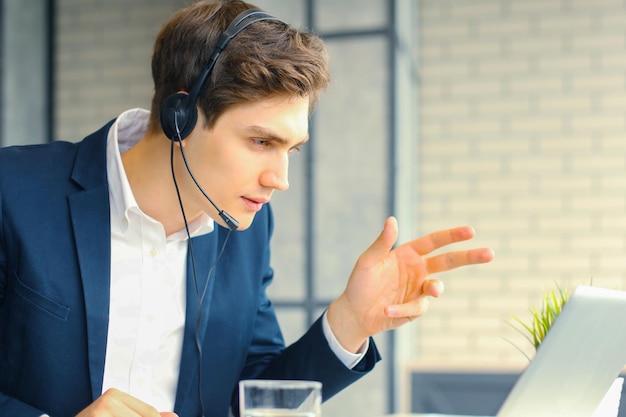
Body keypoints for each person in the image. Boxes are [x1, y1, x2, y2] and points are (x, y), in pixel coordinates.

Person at [0, 1, 494, 417]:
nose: (280, 180)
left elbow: (251, 396)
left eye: (291, 149)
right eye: (261, 141)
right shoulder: (13, 190)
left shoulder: (247, 229)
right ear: (180, 117)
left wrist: (349, 321)